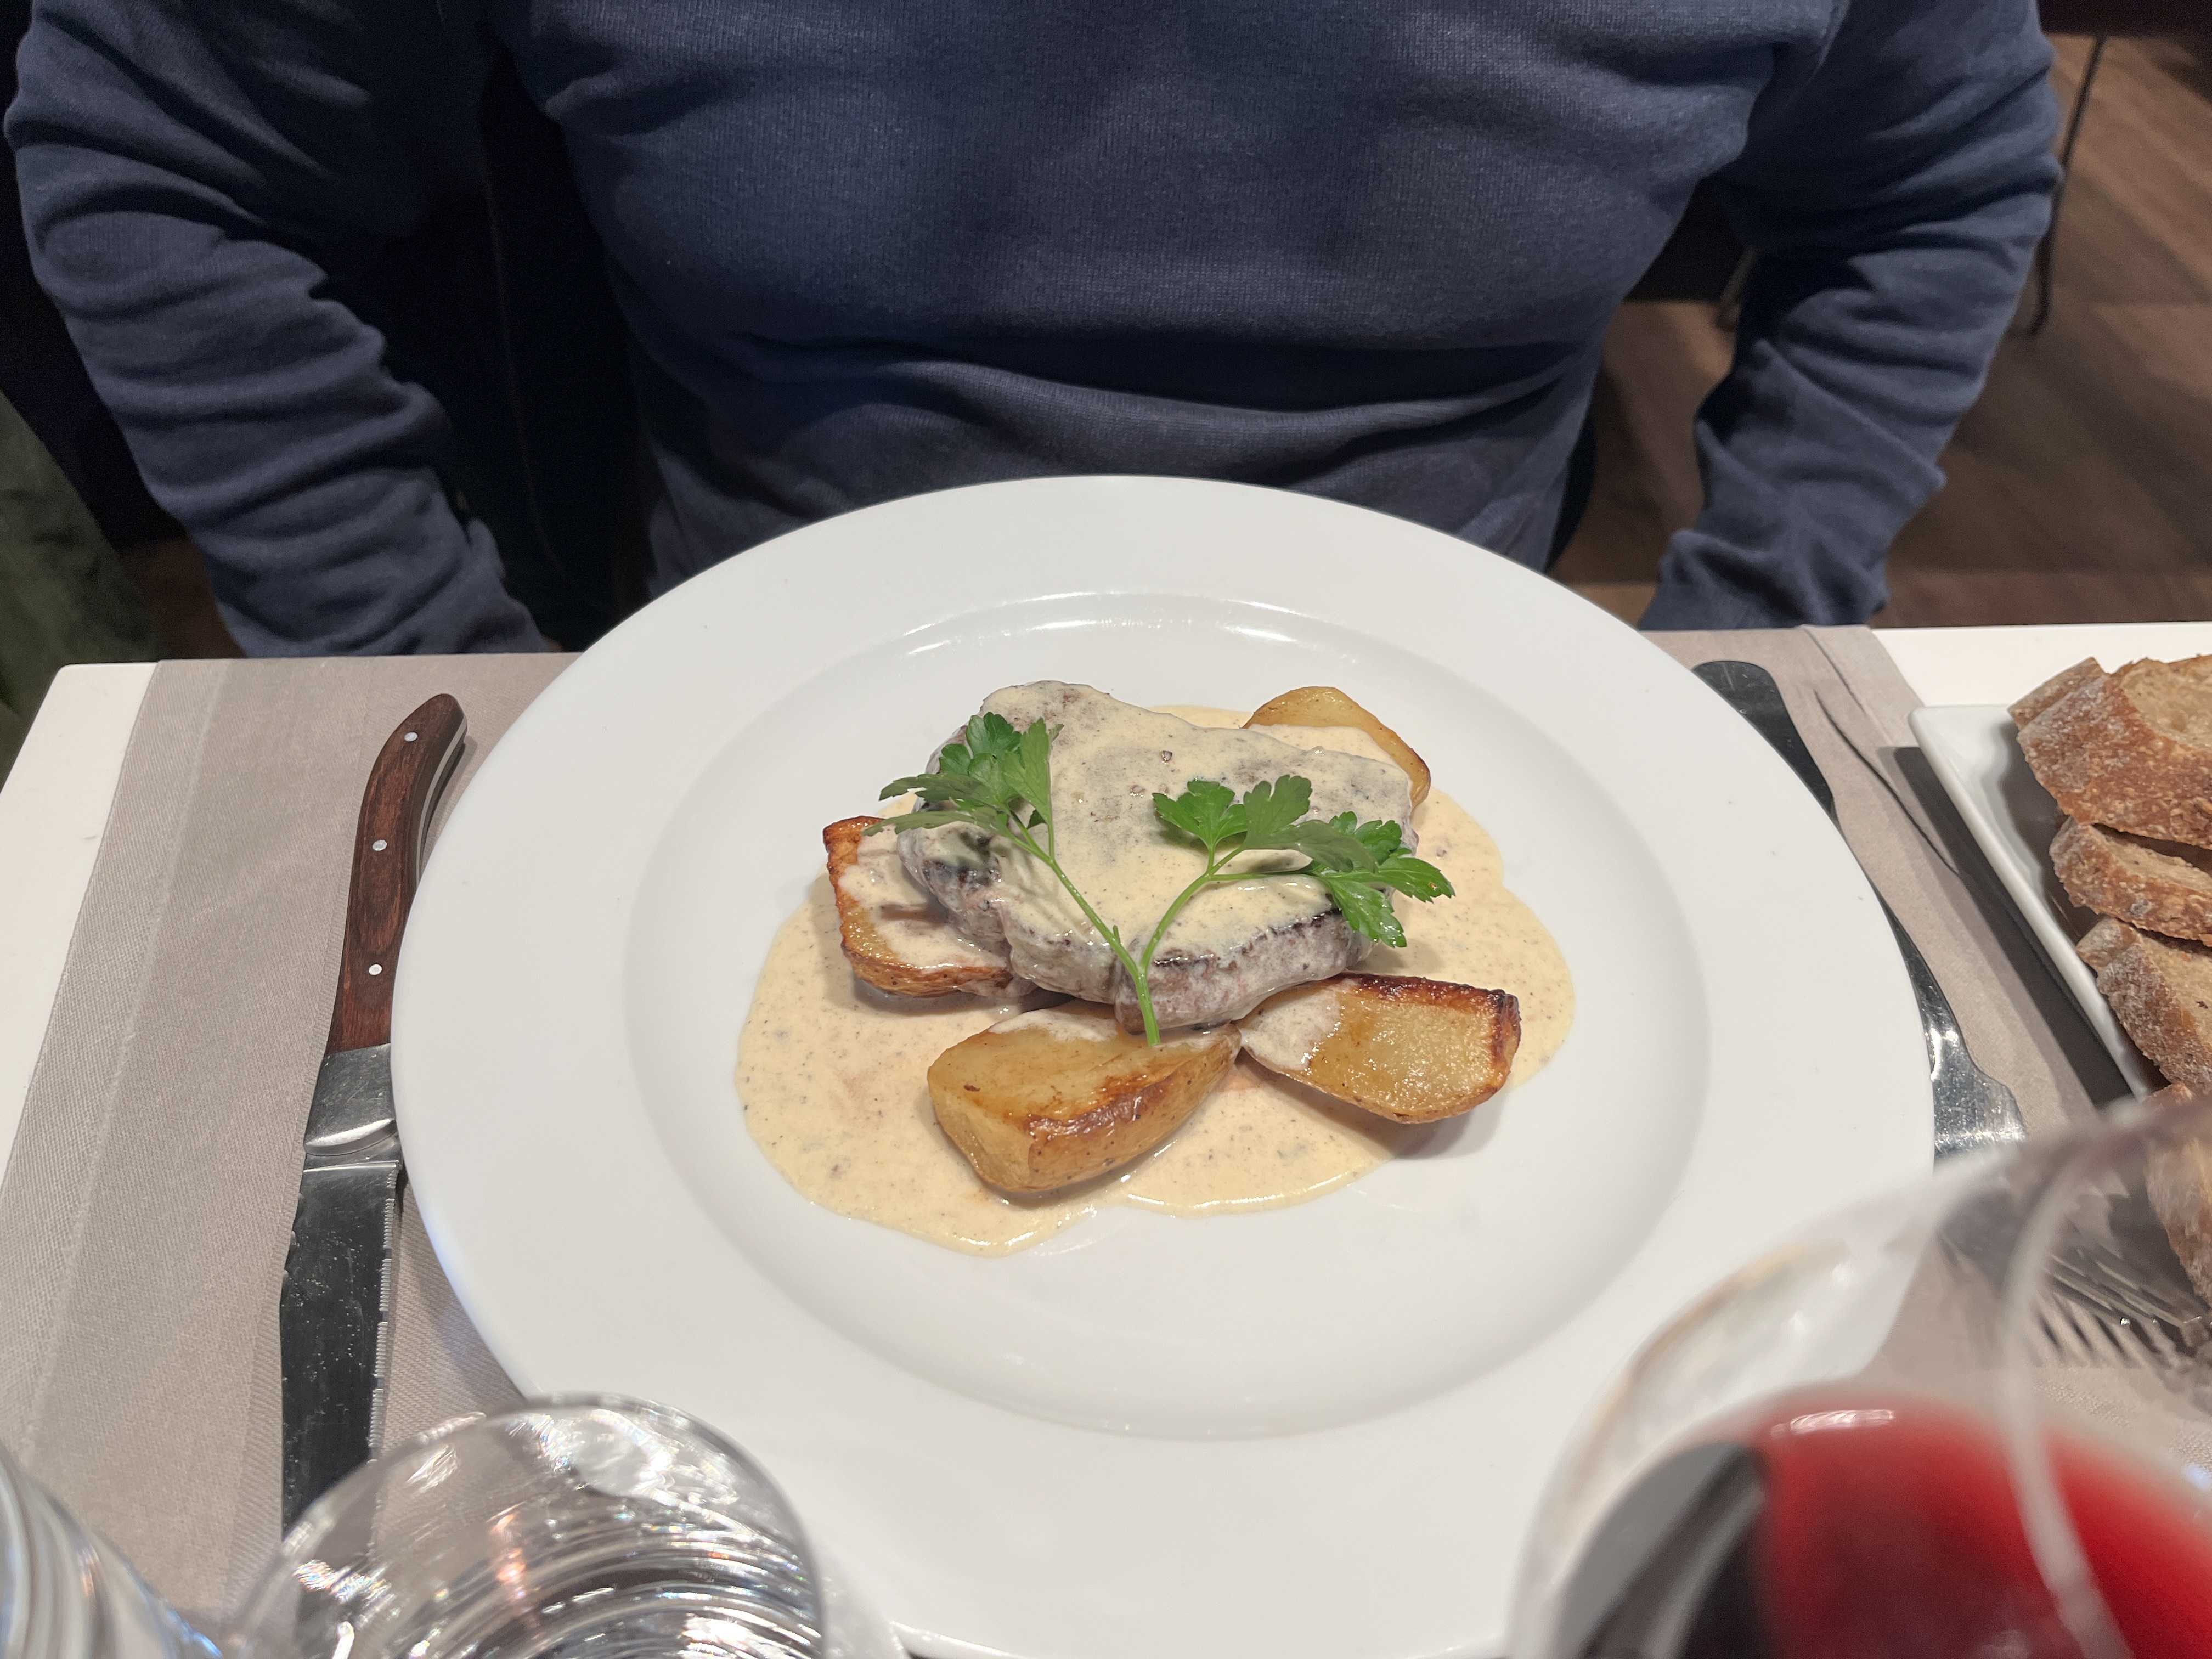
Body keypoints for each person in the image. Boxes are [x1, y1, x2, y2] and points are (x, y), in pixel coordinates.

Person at [6, 1, 2058, 655]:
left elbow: (1934, 185)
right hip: (750, 708)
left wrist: (1754, 646)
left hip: (1445, 722)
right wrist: (420, 671)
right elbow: (162, 151)